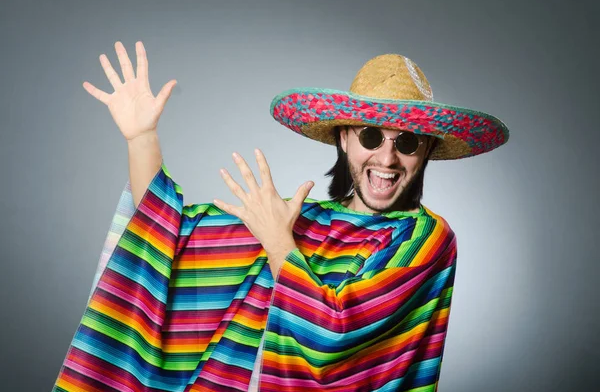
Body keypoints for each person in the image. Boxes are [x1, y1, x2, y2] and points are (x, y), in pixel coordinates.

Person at [52, 41, 509, 392]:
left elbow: (333, 337)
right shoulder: (298, 220)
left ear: (425, 149)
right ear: (345, 139)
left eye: (406, 142)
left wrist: (277, 243)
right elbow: (164, 237)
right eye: (372, 136)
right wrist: (141, 138)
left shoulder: (426, 239)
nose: (387, 158)